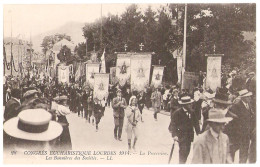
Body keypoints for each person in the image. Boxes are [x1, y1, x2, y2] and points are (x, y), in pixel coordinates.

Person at [225, 89, 254, 163]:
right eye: (248, 97)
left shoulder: (249, 105)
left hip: (246, 134)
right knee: (232, 152)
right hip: (237, 134)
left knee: (244, 153)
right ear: (243, 97)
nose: (250, 98)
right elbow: (232, 119)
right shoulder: (236, 106)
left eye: (250, 97)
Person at [169, 96, 200, 164]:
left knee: (187, 152)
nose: (191, 105)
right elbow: (173, 125)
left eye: (191, 103)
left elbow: (196, 123)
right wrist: (174, 135)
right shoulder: (177, 113)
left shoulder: (192, 112)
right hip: (181, 136)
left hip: (190, 136)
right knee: (183, 152)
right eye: (189, 104)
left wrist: (199, 133)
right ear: (184, 105)